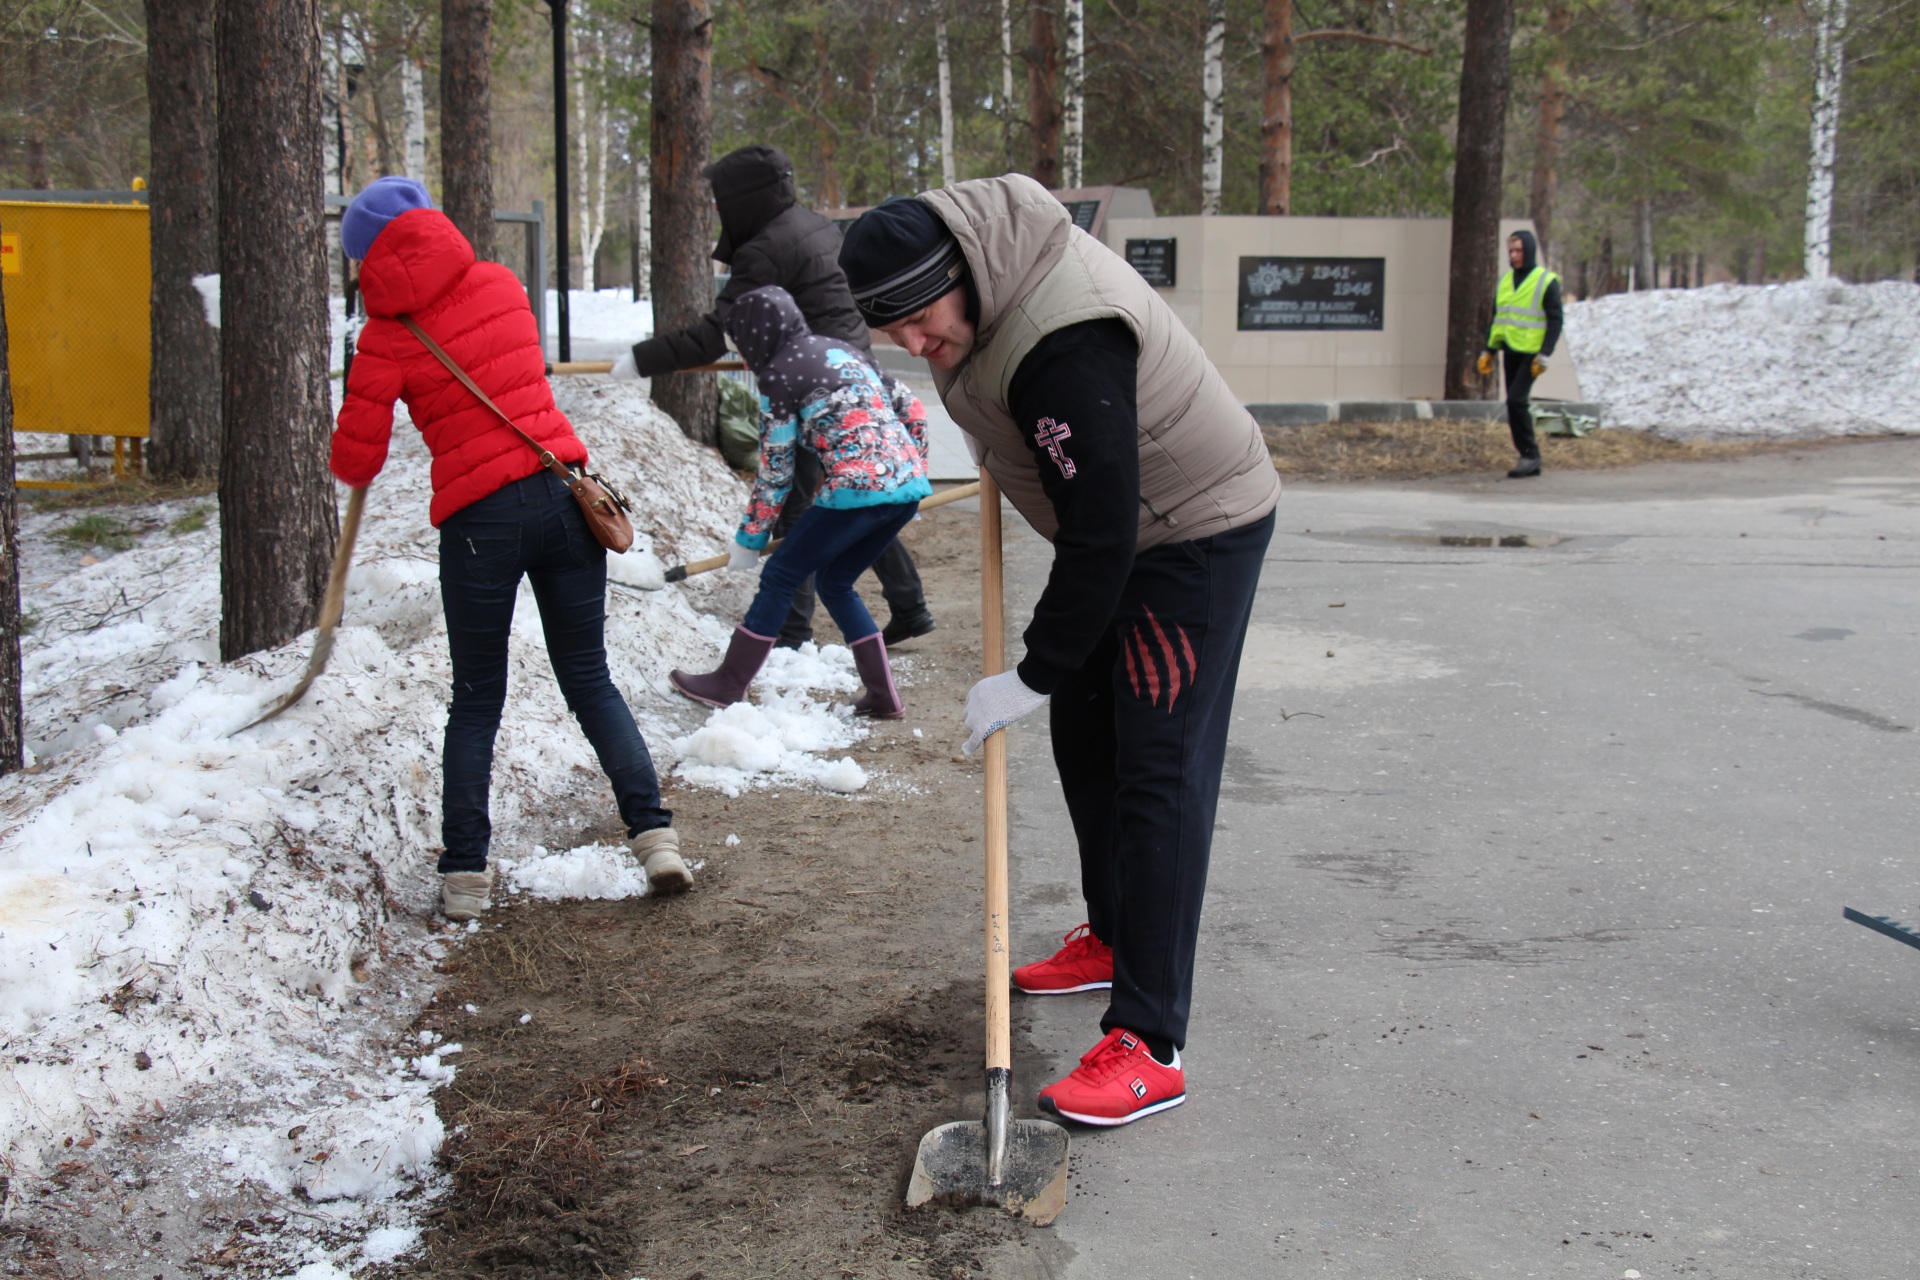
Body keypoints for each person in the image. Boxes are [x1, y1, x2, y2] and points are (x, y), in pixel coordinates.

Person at [839, 176, 1280, 1127]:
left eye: (922, 322)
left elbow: (1104, 530)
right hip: (1123, 527)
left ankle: (1152, 1040)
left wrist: (1034, 669)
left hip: (1190, 532)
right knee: (1087, 737)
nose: (916, 347)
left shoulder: (1063, 341)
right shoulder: (983, 295)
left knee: (1157, 768)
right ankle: (1116, 937)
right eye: (896, 335)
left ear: (961, 275)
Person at [329, 176, 690, 921]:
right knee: (590, 680)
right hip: (562, 498)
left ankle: (464, 877)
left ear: (365, 260)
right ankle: (656, 838)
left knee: (476, 699)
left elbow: (354, 462)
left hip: (477, 527)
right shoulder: (500, 284)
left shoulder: (386, 336)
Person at [617, 144, 935, 649]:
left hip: (811, 385)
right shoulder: (812, 224)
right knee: (867, 487)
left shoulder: (765, 249)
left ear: (745, 200)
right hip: (853, 368)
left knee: (797, 499)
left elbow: (713, 334)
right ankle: (908, 605)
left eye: (722, 202)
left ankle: (790, 633)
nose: (719, 212)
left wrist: (639, 360)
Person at [668, 285, 930, 717]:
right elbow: (914, 409)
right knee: (835, 582)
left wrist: (750, 539)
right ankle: (882, 696)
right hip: (903, 488)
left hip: (855, 488)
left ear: (756, 336)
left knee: (781, 573)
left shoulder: (780, 373)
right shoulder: (842, 350)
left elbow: (776, 468)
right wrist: (912, 473)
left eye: (742, 343)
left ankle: (729, 683)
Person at [1477, 229, 1563, 479]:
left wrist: (1545, 353)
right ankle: (1527, 456)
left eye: (1518, 251)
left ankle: (1530, 455)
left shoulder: (1546, 281)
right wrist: (1489, 350)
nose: (1514, 256)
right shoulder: (1505, 281)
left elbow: (1556, 320)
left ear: (1529, 251)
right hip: (1511, 349)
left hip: (1532, 353)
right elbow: (1498, 319)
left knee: (1516, 399)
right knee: (1514, 403)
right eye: (1511, 251)